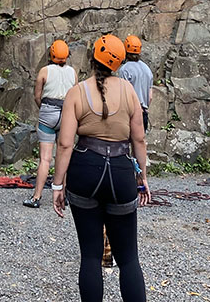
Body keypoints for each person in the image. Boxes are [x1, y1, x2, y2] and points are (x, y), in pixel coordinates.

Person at [53, 34, 151, 302]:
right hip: (120, 171)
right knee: (129, 258)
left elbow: (64, 144)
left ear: (92, 58)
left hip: (85, 169)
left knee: (91, 255)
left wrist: (57, 185)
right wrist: (142, 177)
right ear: (118, 64)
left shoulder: (77, 92)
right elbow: (139, 139)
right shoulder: (129, 92)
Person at [24, 39, 77, 209]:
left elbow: (37, 96)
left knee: (45, 159)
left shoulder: (44, 71)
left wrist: (45, 110)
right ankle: (65, 194)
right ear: (67, 55)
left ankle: (36, 197)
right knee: (64, 157)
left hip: (48, 112)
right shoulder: (73, 72)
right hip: (67, 114)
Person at [117, 35, 153, 132]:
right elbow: (150, 97)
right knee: (139, 143)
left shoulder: (124, 70)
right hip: (143, 113)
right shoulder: (147, 69)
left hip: (130, 114)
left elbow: (124, 95)